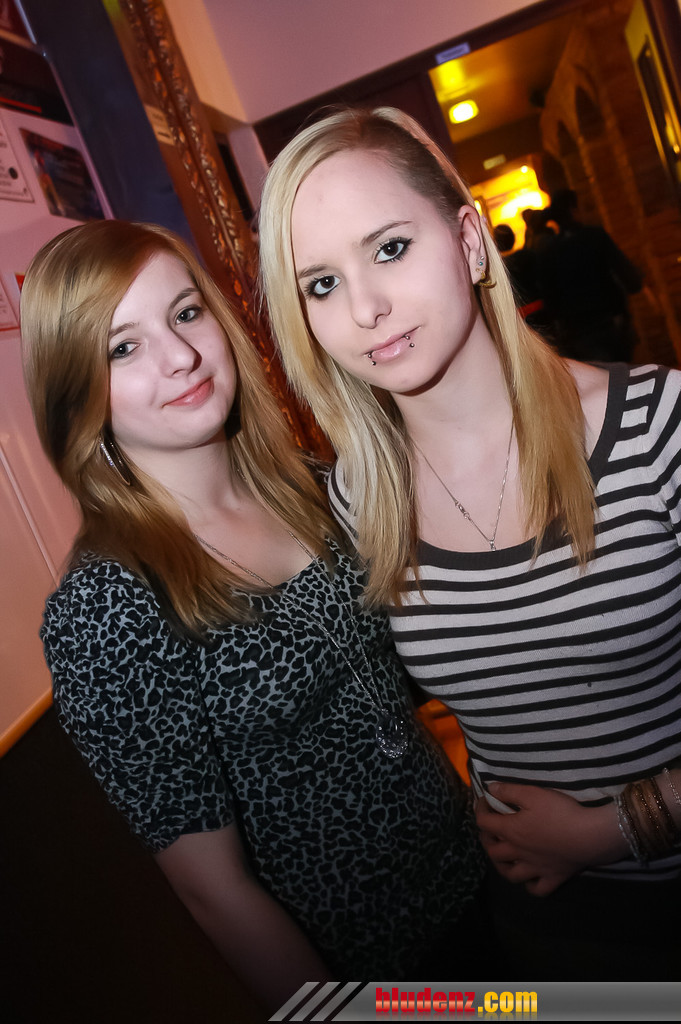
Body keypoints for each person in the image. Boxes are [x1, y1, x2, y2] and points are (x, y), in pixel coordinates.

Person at [258, 106, 681, 979]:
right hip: (549, 939)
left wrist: (617, 826)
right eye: (321, 285)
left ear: (466, 240)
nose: (366, 309)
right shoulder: (356, 504)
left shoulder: (656, 424)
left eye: (389, 248)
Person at [20, 220, 485, 1007]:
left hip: (482, 877)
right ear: (77, 392)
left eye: (185, 313)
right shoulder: (106, 606)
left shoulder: (311, 487)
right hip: (375, 968)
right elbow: (213, 890)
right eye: (122, 348)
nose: (179, 356)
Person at [539, 187, 643, 362]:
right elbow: (626, 273)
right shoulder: (595, 237)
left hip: (577, 333)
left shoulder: (549, 252)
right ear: (573, 209)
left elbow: (550, 298)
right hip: (610, 322)